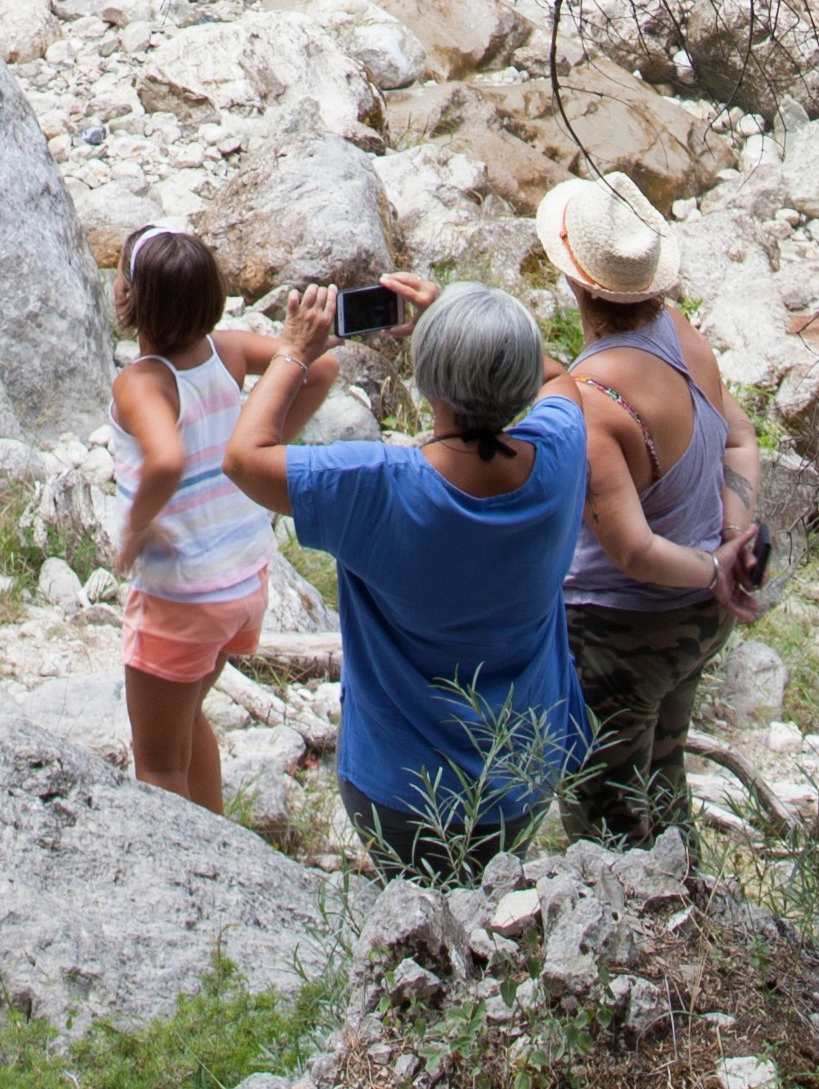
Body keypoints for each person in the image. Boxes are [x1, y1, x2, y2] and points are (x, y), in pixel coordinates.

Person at [226, 274, 740, 864]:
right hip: (521, 777)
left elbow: (244, 458)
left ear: (426, 378)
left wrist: (295, 348)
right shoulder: (560, 450)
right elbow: (559, 378)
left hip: (400, 787)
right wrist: (450, 317)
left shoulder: (373, 486)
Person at [540, 171, 764, 847]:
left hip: (618, 635)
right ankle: (691, 909)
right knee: (663, 775)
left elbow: (631, 551)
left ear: (574, 284)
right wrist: (732, 535)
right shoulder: (678, 331)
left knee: (602, 809)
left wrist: (713, 569)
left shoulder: (594, 405)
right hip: (697, 622)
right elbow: (743, 437)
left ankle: (629, 937)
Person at [107, 223, 289, 807]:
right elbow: (315, 364)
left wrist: (132, 531)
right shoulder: (230, 350)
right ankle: (222, 852)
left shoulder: (142, 382)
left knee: (158, 765)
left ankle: (186, 890)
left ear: (132, 300)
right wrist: (274, 440)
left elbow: (165, 460)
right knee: (185, 722)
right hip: (244, 585)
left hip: (182, 599)